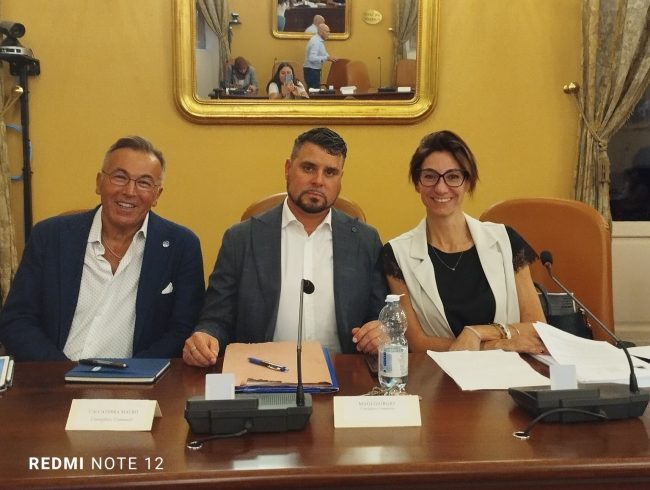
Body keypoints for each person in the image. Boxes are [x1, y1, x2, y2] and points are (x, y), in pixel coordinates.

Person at [183, 127, 387, 367]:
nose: (318, 180)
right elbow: (216, 318)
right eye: (308, 168)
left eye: (330, 172)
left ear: (340, 178)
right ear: (288, 168)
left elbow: (380, 316)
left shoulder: (365, 241)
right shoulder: (241, 239)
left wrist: (380, 330)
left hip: (344, 373)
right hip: (260, 372)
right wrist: (206, 337)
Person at [0, 136, 205, 361]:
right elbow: (17, 320)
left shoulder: (182, 246)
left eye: (144, 183)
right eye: (120, 177)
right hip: (55, 373)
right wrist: (62, 372)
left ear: (157, 195)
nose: (130, 191)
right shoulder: (49, 237)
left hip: (138, 377)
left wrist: (132, 375)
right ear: (99, 182)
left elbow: (182, 330)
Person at [381, 130, 547, 354]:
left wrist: (476, 333)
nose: (441, 188)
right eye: (430, 176)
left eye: (453, 177)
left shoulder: (505, 240)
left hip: (511, 370)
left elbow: (537, 328)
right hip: (437, 372)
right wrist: (496, 344)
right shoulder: (396, 254)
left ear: (468, 182)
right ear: (417, 183)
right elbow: (416, 342)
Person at [303, 23, 337, 91]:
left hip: (312, 70)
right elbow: (312, 58)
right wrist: (327, 58)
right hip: (312, 71)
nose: (329, 34)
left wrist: (330, 58)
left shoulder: (318, 40)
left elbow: (323, 54)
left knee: (314, 92)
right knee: (314, 93)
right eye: (327, 32)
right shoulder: (316, 42)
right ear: (321, 32)